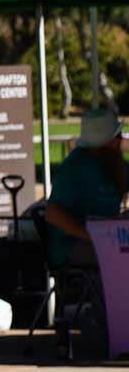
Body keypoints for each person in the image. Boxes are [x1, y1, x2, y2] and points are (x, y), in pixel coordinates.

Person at [44, 108, 125, 269]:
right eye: (118, 136)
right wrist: (93, 237)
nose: (121, 140)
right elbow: (53, 214)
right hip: (71, 246)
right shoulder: (75, 167)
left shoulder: (111, 163)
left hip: (105, 241)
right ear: (108, 141)